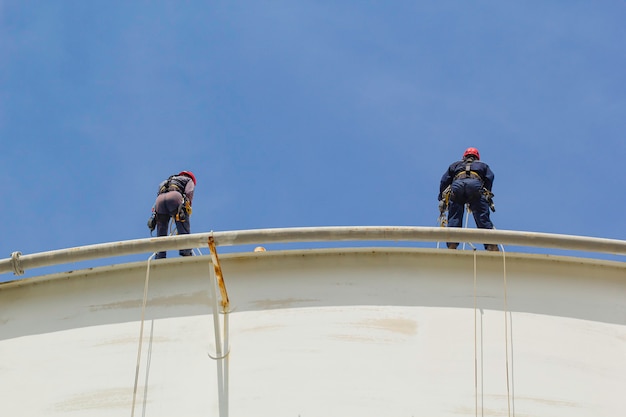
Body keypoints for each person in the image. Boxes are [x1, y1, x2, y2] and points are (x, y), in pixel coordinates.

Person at [438, 147, 498, 251]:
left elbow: (444, 180)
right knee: (481, 215)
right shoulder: (482, 165)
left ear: (464, 156)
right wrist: (486, 192)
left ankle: (452, 244)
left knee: (455, 216)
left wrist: (442, 198)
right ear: (477, 157)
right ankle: (491, 244)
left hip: (457, 186)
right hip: (475, 186)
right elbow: (490, 177)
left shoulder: (455, 165)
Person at [149, 171, 196, 259]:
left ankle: (160, 256)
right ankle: (186, 252)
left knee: (161, 229)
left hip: (159, 201)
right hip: (175, 197)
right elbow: (189, 192)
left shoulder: (165, 182)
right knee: (183, 224)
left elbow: (158, 194)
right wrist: (187, 206)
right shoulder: (189, 180)